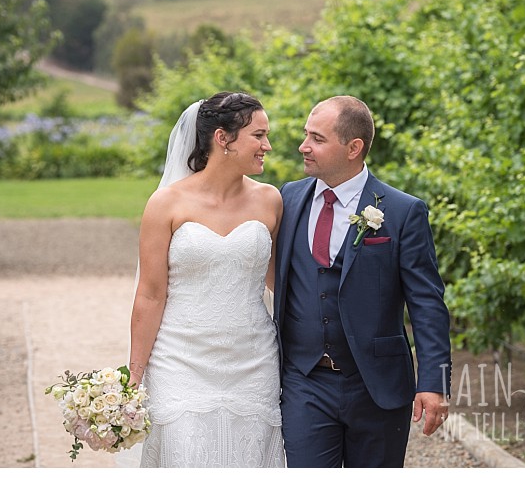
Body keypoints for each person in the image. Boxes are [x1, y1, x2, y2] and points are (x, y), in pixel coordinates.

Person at [273, 95, 451, 467]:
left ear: (353, 148)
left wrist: (434, 381)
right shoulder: (287, 198)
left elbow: (427, 302)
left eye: (317, 139)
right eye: (306, 135)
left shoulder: (402, 212)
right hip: (304, 382)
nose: (303, 146)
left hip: (378, 386)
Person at [119, 92, 285, 467]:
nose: (267, 146)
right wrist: (134, 374)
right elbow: (150, 294)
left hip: (252, 360)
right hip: (180, 359)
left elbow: (283, 283)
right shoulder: (166, 204)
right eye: (258, 136)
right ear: (222, 139)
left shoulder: (270, 201)